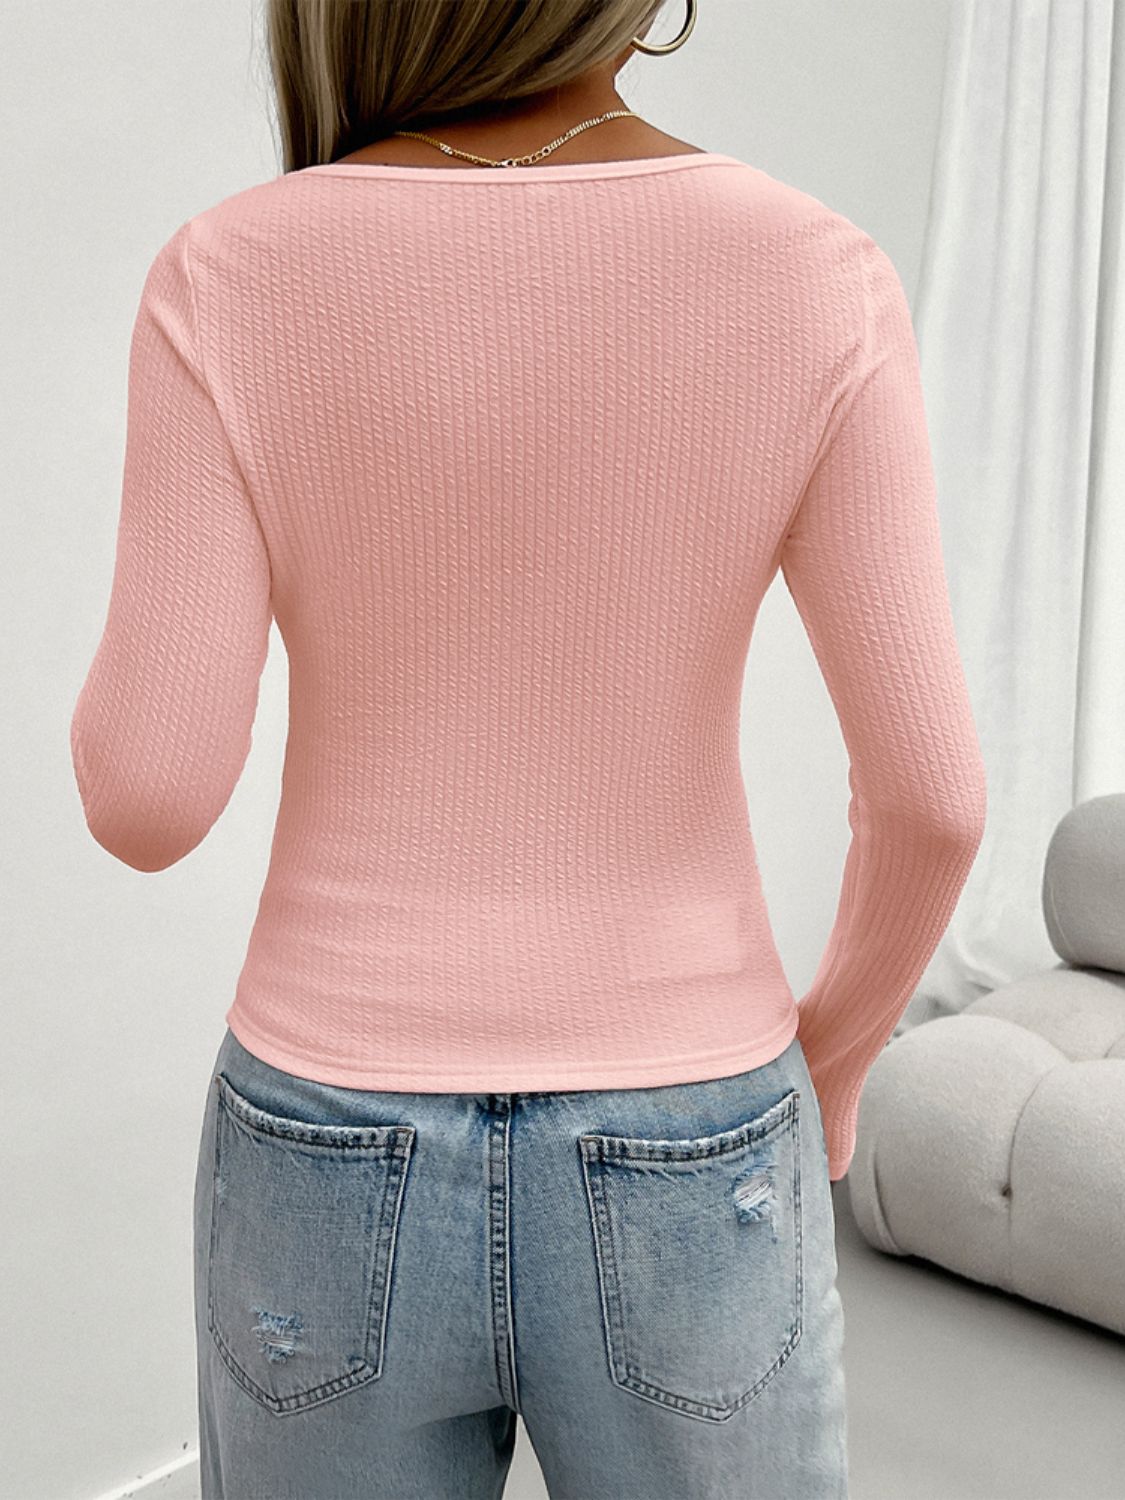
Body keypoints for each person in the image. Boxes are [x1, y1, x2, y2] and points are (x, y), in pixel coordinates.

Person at [68, 1, 987, 1495]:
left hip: (326, 1129)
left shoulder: (229, 271)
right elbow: (934, 799)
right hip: (694, 1114)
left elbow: (145, 794)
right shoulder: (816, 270)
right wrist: (822, 1068)